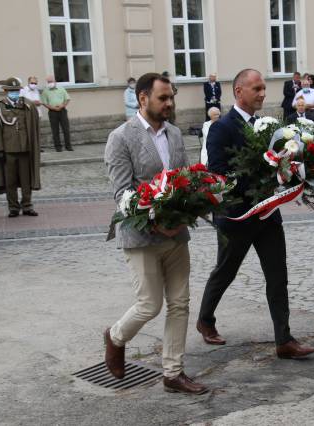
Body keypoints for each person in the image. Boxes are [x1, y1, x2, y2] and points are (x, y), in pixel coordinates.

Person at [197, 68, 314, 360]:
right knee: (225, 271)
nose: (263, 93)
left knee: (278, 274)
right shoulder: (221, 128)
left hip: (267, 214)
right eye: (257, 88)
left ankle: (284, 339)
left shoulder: (269, 126)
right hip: (236, 216)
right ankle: (205, 320)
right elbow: (217, 173)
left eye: (264, 88)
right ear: (239, 91)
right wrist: (260, 176)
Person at [103, 72, 208, 394]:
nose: (169, 103)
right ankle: (115, 337)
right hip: (142, 237)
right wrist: (153, 220)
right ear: (143, 98)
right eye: (163, 98)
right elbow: (122, 193)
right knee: (150, 305)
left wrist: (187, 211)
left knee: (180, 303)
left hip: (176, 235)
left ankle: (173, 373)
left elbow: (188, 179)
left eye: (171, 97)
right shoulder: (121, 137)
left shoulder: (175, 134)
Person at [0, 77, 41, 218]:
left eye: (17, 90)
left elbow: (33, 126)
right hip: (8, 150)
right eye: (12, 91)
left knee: (26, 180)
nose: (15, 93)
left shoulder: (27, 105)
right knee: (10, 181)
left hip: (25, 149)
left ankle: (27, 205)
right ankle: (13, 207)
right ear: (6, 91)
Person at [41, 75, 72, 152]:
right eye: (48, 82)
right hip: (52, 112)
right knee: (55, 130)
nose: (50, 83)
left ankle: (68, 146)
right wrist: (52, 108)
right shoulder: (45, 91)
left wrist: (62, 105)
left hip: (62, 111)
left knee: (66, 129)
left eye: (51, 81)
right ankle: (58, 147)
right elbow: (44, 103)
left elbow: (67, 99)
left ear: (55, 81)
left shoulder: (61, 89)